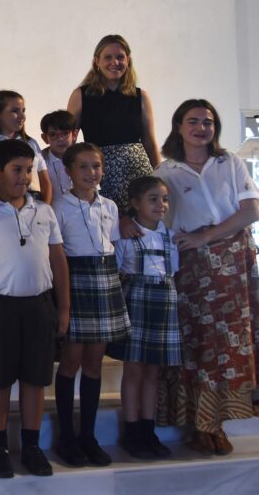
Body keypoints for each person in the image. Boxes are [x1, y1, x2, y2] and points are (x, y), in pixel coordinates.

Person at [153, 99, 259, 455]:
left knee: (230, 347)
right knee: (199, 344)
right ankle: (200, 425)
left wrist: (206, 236)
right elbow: (160, 223)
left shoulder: (228, 162)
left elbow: (250, 211)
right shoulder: (165, 172)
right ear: (178, 127)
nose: (201, 128)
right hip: (194, 270)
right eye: (193, 121)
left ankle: (217, 423)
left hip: (234, 266)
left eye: (208, 122)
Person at [0, 139, 69, 479]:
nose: (24, 178)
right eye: (16, 170)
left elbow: (58, 259)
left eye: (28, 170)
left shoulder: (45, 211)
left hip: (39, 305)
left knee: (34, 379)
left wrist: (63, 308)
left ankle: (32, 445)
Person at [51, 143, 129, 467]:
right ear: (68, 172)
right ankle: (66, 436)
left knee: (95, 363)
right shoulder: (59, 207)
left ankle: (89, 435)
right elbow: (56, 254)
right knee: (71, 361)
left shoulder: (109, 206)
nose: (91, 173)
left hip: (105, 279)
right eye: (83, 167)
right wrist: (63, 304)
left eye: (96, 166)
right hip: (76, 279)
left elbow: (114, 244)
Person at [106, 176, 180, 459]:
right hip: (136, 303)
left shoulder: (170, 236)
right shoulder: (125, 236)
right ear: (135, 204)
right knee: (134, 370)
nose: (161, 205)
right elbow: (118, 270)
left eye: (164, 199)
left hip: (163, 306)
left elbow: (174, 270)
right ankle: (132, 429)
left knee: (153, 372)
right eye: (153, 199)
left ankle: (148, 430)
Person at [67, 35, 160, 214]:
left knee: (143, 228)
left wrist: (160, 177)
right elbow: (69, 141)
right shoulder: (81, 95)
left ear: (128, 60)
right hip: (101, 174)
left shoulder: (141, 96)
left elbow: (150, 142)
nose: (114, 62)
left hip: (138, 172)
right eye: (108, 57)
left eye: (120, 57)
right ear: (97, 61)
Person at [0, 90, 52, 204]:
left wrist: (44, 208)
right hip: (5, 205)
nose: (21, 116)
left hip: (34, 204)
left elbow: (45, 182)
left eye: (23, 110)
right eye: (14, 111)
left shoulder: (31, 143)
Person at [40, 110, 76, 199]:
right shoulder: (40, 161)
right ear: (45, 138)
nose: (60, 139)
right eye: (53, 134)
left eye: (65, 133)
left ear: (74, 135)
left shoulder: (84, 158)